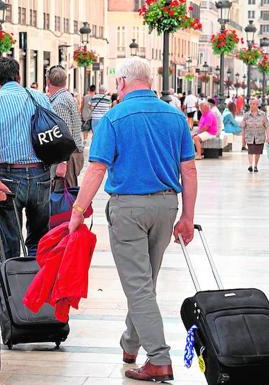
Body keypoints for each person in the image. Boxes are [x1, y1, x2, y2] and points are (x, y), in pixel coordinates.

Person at [68, 57, 197, 383]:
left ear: (123, 82)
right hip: (166, 207)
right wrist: (187, 215)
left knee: (139, 286)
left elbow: (96, 169)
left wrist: (78, 211)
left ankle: (159, 359)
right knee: (145, 280)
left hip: (128, 209)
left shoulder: (113, 118)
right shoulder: (175, 116)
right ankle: (131, 343)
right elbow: (189, 170)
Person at [0, 57, 53, 258]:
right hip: (40, 173)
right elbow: (53, 132)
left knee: (10, 240)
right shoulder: (40, 97)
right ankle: (35, 283)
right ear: (19, 76)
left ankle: (13, 285)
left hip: (8, 176)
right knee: (39, 239)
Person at [46, 65, 84, 188]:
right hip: (71, 154)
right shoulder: (65, 97)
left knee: (62, 196)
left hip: (67, 157)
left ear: (48, 81)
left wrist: (62, 162)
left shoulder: (59, 102)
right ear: (65, 81)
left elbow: (64, 134)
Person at [241, 98, 269, 173]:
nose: (252, 105)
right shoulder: (246, 115)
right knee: (250, 151)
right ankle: (250, 165)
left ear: (257, 105)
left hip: (260, 136)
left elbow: (266, 126)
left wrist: (268, 137)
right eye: (251, 104)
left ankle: (255, 165)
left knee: (257, 152)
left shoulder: (262, 114)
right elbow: (243, 127)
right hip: (249, 136)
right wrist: (243, 140)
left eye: (254, 104)